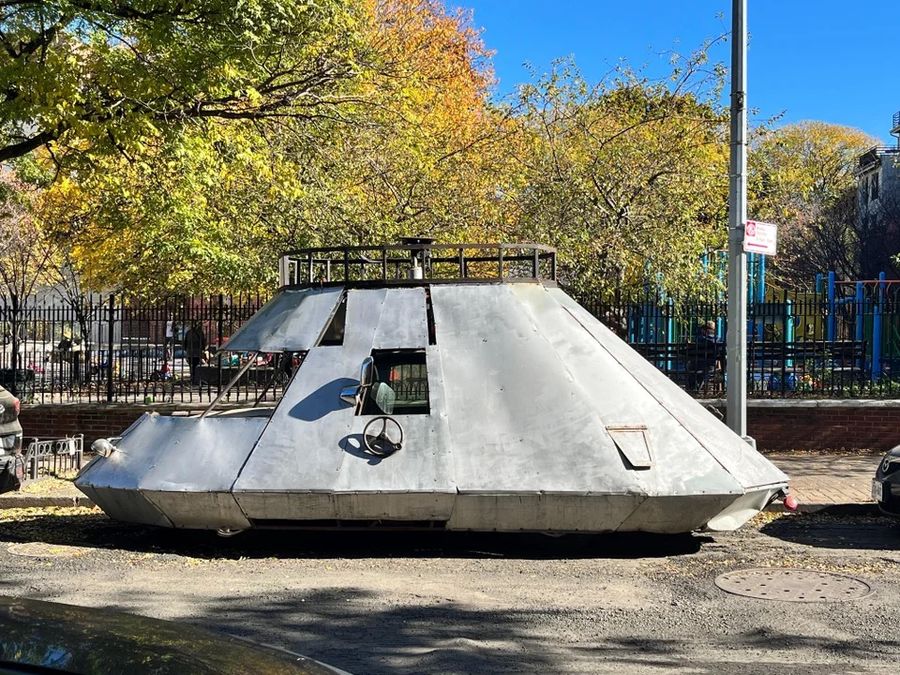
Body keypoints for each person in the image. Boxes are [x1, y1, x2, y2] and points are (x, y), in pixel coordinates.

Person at [689, 320, 722, 392]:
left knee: (693, 370)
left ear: (706, 330)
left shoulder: (700, 339)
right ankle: (695, 388)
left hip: (699, 364)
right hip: (711, 364)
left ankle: (694, 388)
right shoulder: (717, 340)